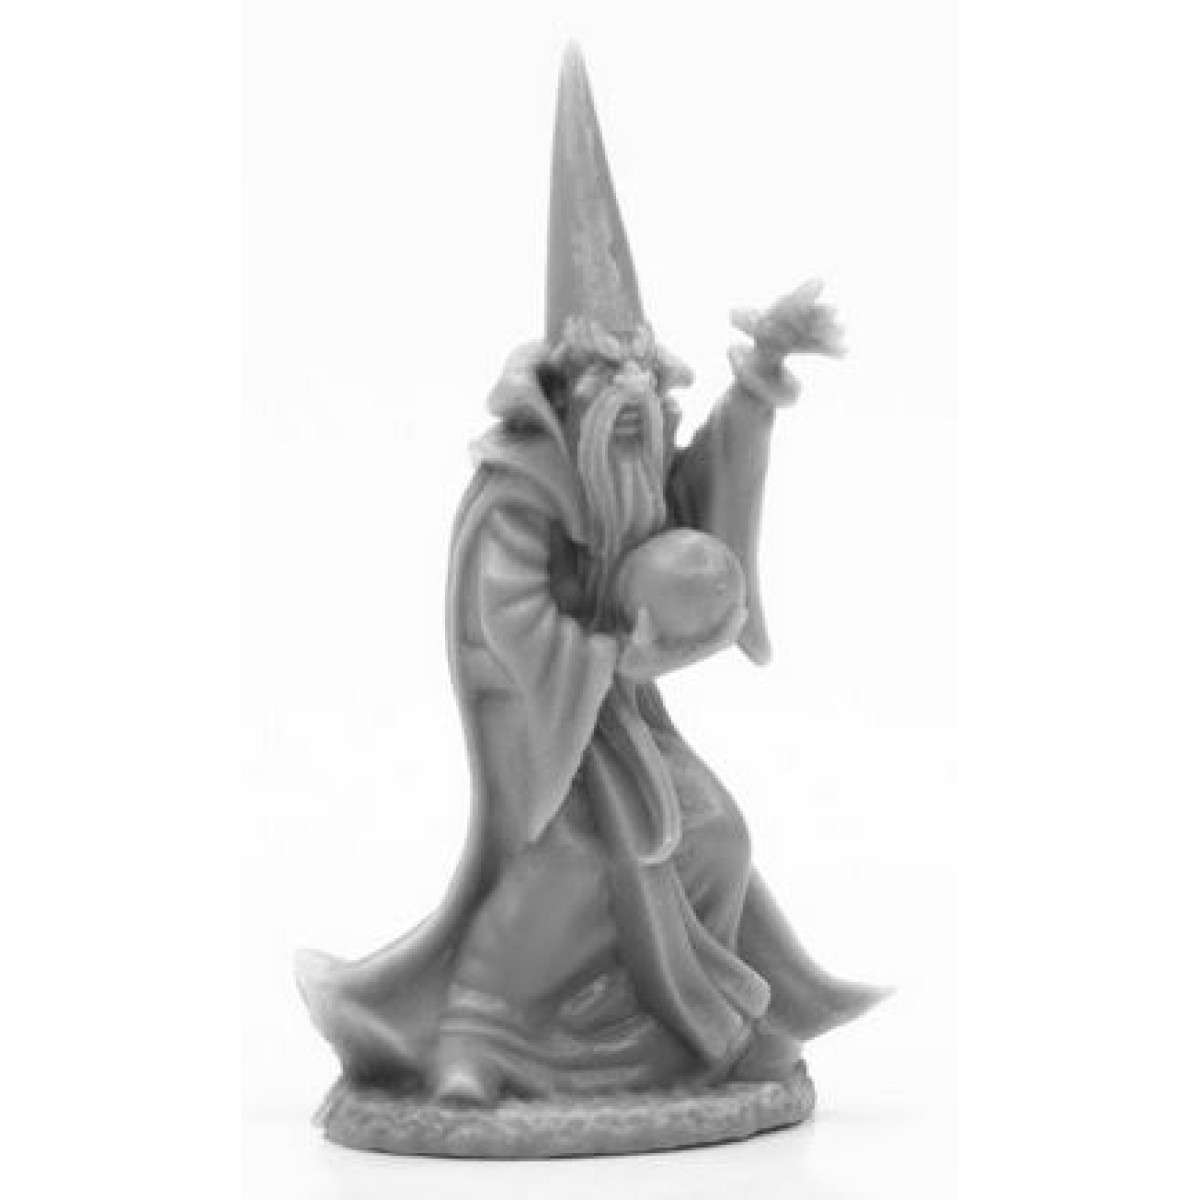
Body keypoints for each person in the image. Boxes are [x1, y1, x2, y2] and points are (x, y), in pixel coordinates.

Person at [296, 47, 885, 1105]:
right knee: (578, 856)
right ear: (567, 388)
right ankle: (476, 1036)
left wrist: (758, 379)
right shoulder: (522, 489)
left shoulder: (635, 459)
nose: (635, 401)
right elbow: (502, 615)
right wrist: (613, 652)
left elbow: (695, 504)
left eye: (646, 378)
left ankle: (683, 1035)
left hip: (625, 720)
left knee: (713, 834)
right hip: (553, 722)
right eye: (610, 378)